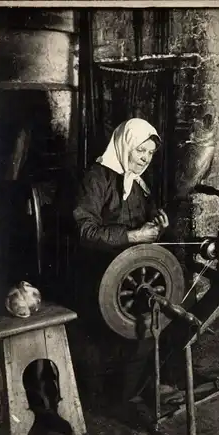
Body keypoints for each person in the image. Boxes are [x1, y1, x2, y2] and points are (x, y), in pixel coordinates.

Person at [73, 118, 183, 412]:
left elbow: (145, 223)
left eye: (149, 153)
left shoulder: (138, 182)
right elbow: (84, 232)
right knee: (142, 313)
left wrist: (158, 223)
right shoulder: (96, 178)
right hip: (96, 270)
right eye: (140, 151)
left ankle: (148, 382)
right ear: (124, 145)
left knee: (169, 301)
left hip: (129, 270)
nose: (145, 158)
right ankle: (123, 392)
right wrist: (133, 235)